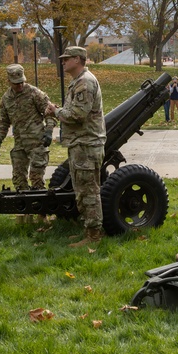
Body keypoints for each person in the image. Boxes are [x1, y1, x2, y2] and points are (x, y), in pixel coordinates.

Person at [45, 46, 106, 247]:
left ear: (78, 59)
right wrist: (59, 111)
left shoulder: (85, 83)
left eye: (67, 59)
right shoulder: (78, 82)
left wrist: (55, 112)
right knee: (82, 191)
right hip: (80, 145)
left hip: (87, 145)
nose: (62, 62)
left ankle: (94, 236)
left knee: (89, 193)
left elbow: (78, 115)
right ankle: (89, 231)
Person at [0, 65, 57, 213]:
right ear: (9, 81)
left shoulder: (34, 93)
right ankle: (27, 211)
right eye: (16, 83)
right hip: (20, 144)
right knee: (18, 179)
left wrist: (48, 132)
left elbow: (50, 112)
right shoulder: (6, 98)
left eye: (21, 82)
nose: (20, 85)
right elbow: (3, 122)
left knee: (36, 178)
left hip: (37, 143)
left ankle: (43, 214)